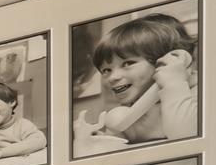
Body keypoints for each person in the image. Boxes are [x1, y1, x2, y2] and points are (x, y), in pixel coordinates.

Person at [73, 13, 198, 153]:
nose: (113, 77)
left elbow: (186, 139)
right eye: (106, 70)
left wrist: (173, 84)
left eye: (128, 63)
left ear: (164, 62)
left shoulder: (197, 95)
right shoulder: (129, 111)